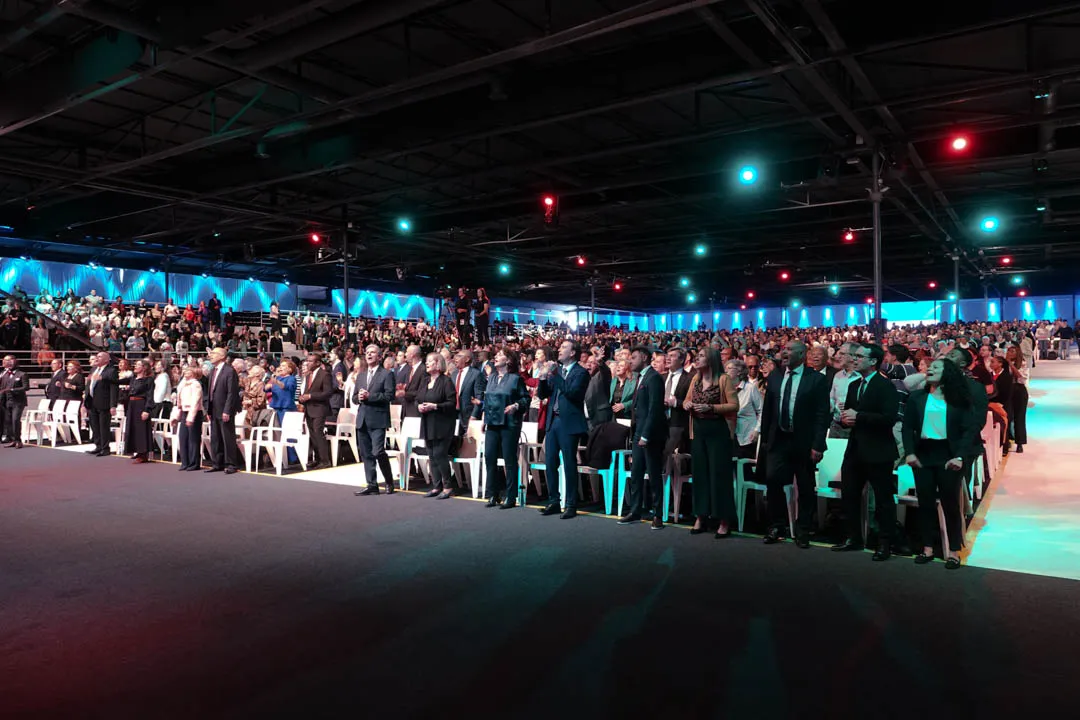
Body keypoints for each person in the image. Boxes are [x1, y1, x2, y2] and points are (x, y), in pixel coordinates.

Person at [903, 359, 978, 570]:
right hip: (924, 454)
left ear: (948, 373)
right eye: (930, 367)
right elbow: (907, 427)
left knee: (950, 504)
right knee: (925, 503)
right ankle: (927, 547)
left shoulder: (959, 400)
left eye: (936, 367)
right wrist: (909, 452)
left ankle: (953, 550)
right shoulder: (917, 397)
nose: (930, 369)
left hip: (949, 455)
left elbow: (969, 431)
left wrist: (960, 457)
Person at [831, 343, 901, 560]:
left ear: (873, 361)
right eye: (854, 356)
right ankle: (853, 537)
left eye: (860, 356)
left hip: (878, 449)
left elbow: (889, 418)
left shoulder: (885, 385)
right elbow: (850, 415)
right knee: (849, 494)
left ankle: (885, 542)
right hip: (855, 448)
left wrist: (859, 416)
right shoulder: (854, 385)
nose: (855, 359)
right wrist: (845, 419)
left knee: (882, 498)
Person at [759, 340, 830, 547]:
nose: (785, 353)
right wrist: (765, 440)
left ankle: (803, 529)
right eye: (784, 350)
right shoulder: (775, 376)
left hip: (803, 441)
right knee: (773, 481)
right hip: (778, 439)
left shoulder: (816, 379)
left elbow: (822, 414)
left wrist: (818, 444)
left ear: (801, 355)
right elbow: (767, 411)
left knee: (805, 486)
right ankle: (777, 525)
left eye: (790, 350)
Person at [686, 347, 739, 537]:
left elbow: (734, 405)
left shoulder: (724, 379)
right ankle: (701, 516)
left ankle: (724, 520)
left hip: (718, 430)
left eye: (701, 356)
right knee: (700, 474)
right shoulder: (696, 379)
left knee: (719, 476)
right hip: (699, 431)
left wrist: (711, 407)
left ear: (711, 360)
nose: (697, 359)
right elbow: (686, 400)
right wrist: (687, 404)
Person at [537, 339, 589, 519]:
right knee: (550, 462)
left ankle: (571, 504)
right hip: (553, 421)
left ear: (573, 353)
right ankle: (554, 501)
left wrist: (554, 374)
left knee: (569, 463)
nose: (559, 350)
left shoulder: (581, 372)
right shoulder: (557, 371)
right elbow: (542, 394)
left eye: (564, 347)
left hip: (569, 422)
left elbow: (572, 392)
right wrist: (542, 378)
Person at [618, 345, 668, 529]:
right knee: (636, 473)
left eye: (634, 357)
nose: (630, 361)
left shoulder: (653, 377)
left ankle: (658, 514)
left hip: (651, 434)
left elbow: (655, 409)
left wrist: (646, 435)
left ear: (645, 358)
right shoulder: (640, 377)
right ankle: (635, 510)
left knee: (654, 475)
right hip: (638, 431)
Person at [481, 349, 530, 508]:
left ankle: (511, 495)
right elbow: (487, 399)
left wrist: (516, 405)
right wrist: (483, 418)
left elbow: (526, 399)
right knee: (489, 457)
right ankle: (492, 494)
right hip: (492, 422)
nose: (496, 356)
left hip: (509, 424)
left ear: (508, 360)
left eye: (500, 354)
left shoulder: (516, 379)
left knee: (509, 459)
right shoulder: (492, 377)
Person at [352, 345, 397, 496]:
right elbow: (354, 398)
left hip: (378, 419)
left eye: (372, 353)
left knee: (378, 451)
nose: (369, 355)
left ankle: (389, 481)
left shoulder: (386, 374)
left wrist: (369, 396)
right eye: (367, 352)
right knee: (366, 454)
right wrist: (359, 398)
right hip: (362, 419)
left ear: (379, 356)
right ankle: (372, 485)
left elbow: (389, 396)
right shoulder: (361, 375)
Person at [416, 352, 457, 498]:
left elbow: (452, 403)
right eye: (426, 361)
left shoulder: (446, 381)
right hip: (427, 423)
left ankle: (448, 486)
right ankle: (436, 486)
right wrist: (419, 406)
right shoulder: (425, 380)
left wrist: (435, 406)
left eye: (430, 361)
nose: (427, 363)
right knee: (431, 455)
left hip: (442, 424)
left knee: (440, 454)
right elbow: (418, 398)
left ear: (438, 364)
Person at [204, 347, 240, 474]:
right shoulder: (213, 371)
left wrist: (227, 410)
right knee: (215, 437)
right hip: (214, 408)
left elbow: (232, 392)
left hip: (224, 409)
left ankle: (231, 464)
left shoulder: (229, 371)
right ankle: (217, 463)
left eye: (214, 353)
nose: (211, 355)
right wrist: (208, 409)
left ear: (222, 356)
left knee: (227, 437)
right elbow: (210, 391)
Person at [298, 353, 333, 470]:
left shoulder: (325, 375)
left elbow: (328, 393)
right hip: (309, 408)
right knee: (313, 435)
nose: (307, 363)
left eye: (310, 361)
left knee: (318, 433)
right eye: (307, 360)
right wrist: (302, 397)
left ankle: (325, 460)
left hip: (320, 408)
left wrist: (310, 396)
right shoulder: (309, 375)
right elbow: (307, 391)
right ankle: (317, 459)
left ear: (318, 363)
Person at [83, 352, 119, 456]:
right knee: (94, 426)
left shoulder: (111, 371)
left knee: (103, 426)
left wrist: (113, 405)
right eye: (97, 356)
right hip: (91, 401)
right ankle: (98, 446)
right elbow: (89, 385)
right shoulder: (93, 369)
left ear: (106, 360)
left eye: (99, 357)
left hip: (104, 402)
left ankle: (105, 448)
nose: (97, 358)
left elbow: (113, 388)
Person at [727, 358, 763, 459]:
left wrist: (757, 430)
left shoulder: (750, 388)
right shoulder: (726, 389)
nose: (726, 371)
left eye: (729, 368)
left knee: (744, 465)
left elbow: (761, 410)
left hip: (747, 436)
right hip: (730, 435)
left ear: (739, 372)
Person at [123, 359, 157, 463]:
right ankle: (137, 451)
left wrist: (147, 410)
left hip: (141, 405)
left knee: (141, 430)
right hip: (132, 405)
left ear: (144, 367)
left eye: (138, 365)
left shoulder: (148, 380)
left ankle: (143, 454)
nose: (135, 366)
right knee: (132, 428)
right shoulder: (133, 378)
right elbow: (119, 381)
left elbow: (150, 396)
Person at [174, 365, 205, 471]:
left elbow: (195, 402)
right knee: (183, 437)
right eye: (185, 370)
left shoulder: (196, 384)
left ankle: (194, 463)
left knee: (193, 439)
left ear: (194, 373)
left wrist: (191, 417)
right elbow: (179, 401)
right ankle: (185, 462)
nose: (185, 371)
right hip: (184, 411)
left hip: (194, 413)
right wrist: (176, 416)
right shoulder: (183, 383)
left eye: (188, 370)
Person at [0, 355, 28, 448]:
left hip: (18, 401)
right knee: (8, 421)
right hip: (7, 401)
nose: (7, 363)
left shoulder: (22, 374)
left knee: (15, 420)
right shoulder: (5, 375)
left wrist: (12, 390)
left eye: (9, 361)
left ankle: (18, 440)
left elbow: (26, 387)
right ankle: (13, 440)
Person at [1004, 345, 1029, 453]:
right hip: (1007, 390)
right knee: (1007, 416)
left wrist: (1010, 364)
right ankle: (1006, 441)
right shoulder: (1003, 364)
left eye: (1012, 351)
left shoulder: (1022, 363)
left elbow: (1020, 376)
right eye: (1008, 351)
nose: (1009, 353)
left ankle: (1020, 443)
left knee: (1019, 417)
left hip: (1019, 390)